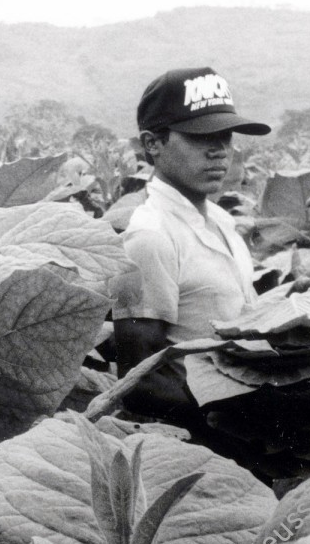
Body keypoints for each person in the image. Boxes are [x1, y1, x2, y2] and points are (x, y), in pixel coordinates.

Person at [112, 67, 269, 418]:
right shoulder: (149, 237)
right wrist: (246, 421)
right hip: (203, 441)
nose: (219, 151)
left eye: (225, 135)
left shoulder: (223, 221)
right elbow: (140, 383)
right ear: (153, 143)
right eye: (200, 137)